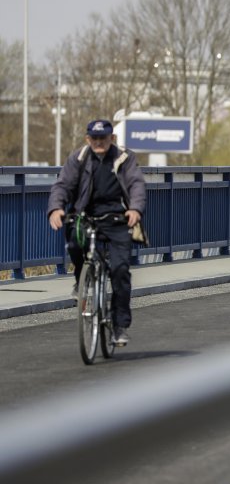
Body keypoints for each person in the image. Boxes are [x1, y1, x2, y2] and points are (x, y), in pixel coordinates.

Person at [47, 119, 146, 346]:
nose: (99, 142)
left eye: (103, 138)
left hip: (117, 219)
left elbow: (136, 185)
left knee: (120, 271)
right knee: (74, 242)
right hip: (87, 216)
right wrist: (56, 208)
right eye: (95, 138)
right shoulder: (79, 158)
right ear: (88, 139)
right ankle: (81, 277)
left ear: (112, 138)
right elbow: (62, 185)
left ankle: (119, 326)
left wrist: (135, 209)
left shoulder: (124, 157)